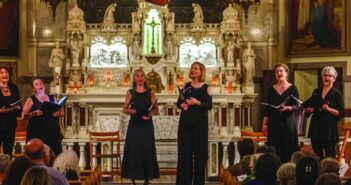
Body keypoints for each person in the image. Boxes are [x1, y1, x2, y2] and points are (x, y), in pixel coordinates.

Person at [176, 62, 212, 185]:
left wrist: (197, 103)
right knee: (185, 155)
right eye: (191, 68)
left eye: (196, 68)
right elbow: (179, 102)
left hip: (199, 126)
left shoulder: (206, 87)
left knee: (199, 156)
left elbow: (209, 105)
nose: (192, 70)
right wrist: (182, 105)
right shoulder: (186, 86)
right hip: (185, 124)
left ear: (201, 71)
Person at [121, 69, 160, 185]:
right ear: (134, 79)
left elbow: (156, 109)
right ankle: (132, 177)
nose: (140, 78)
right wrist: (129, 111)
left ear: (144, 78)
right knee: (134, 150)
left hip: (146, 125)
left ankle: (147, 178)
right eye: (137, 76)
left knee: (146, 150)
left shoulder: (150, 92)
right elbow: (124, 109)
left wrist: (150, 115)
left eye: (142, 76)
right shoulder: (130, 92)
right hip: (135, 125)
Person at [262, 63, 299, 162]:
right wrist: (264, 124)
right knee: (274, 149)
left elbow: (297, 106)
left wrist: (288, 108)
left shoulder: (293, 88)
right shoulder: (271, 89)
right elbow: (268, 109)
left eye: (281, 71)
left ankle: (289, 172)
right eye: (276, 71)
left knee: (288, 148)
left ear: (286, 73)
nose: (279, 73)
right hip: (274, 122)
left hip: (288, 122)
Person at [305, 66, 344, 159]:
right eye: (324, 75)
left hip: (329, 128)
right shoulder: (316, 91)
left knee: (330, 154)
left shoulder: (336, 93)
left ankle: (331, 172)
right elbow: (312, 107)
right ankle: (319, 172)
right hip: (316, 126)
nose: (326, 77)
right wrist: (309, 111)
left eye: (329, 76)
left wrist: (328, 109)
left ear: (334, 79)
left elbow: (341, 113)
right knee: (317, 154)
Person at [22, 79, 64, 156]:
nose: (40, 85)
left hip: (52, 131)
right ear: (33, 88)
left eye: (41, 83)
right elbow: (23, 116)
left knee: (54, 153)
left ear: (44, 85)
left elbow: (61, 112)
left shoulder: (52, 98)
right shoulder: (31, 100)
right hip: (37, 132)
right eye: (37, 84)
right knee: (38, 154)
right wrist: (33, 114)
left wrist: (58, 114)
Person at [0, 66, 21, 157]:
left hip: (10, 123)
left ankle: (7, 170)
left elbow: (19, 104)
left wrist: (18, 108)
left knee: (8, 151)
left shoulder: (14, 87)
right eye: (2, 72)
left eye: (6, 72)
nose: (5, 74)